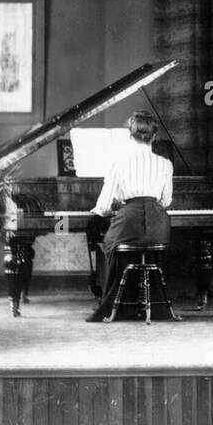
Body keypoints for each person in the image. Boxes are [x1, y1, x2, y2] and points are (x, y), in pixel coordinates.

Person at [85, 110, 175, 322]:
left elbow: (104, 206)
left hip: (129, 219)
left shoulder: (118, 163)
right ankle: (149, 303)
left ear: (129, 135)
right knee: (150, 250)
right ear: (154, 137)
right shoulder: (166, 164)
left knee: (109, 245)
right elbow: (166, 202)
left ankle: (118, 304)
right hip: (158, 223)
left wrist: (110, 210)